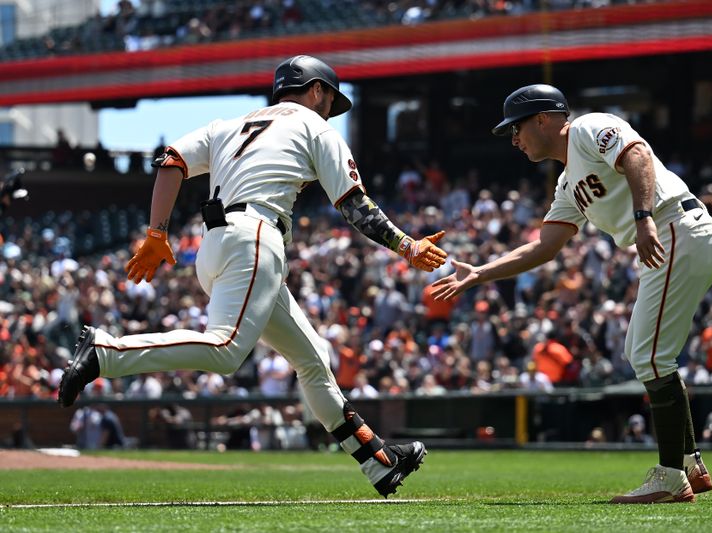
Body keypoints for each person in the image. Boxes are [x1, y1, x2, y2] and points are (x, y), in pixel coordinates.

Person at [57, 55, 446, 497]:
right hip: (257, 236)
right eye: (330, 100)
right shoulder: (314, 125)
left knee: (313, 357)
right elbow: (354, 206)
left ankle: (377, 461)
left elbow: (170, 161)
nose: (329, 110)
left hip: (216, 244)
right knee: (225, 350)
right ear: (316, 90)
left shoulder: (228, 124)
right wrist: (408, 247)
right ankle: (106, 352)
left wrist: (157, 232)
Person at [432, 83, 712, 504]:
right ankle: (689, 463)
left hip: (675, 226)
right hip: (675, 237)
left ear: (543, 118)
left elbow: (637, 155)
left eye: (516, 128)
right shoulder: (568, 183)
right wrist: (480, 272)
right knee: (649, 353)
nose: (514, 139)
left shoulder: (587, 128)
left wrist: (643, 218)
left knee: (647, 354)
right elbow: (545, 246)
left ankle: (670, 477)